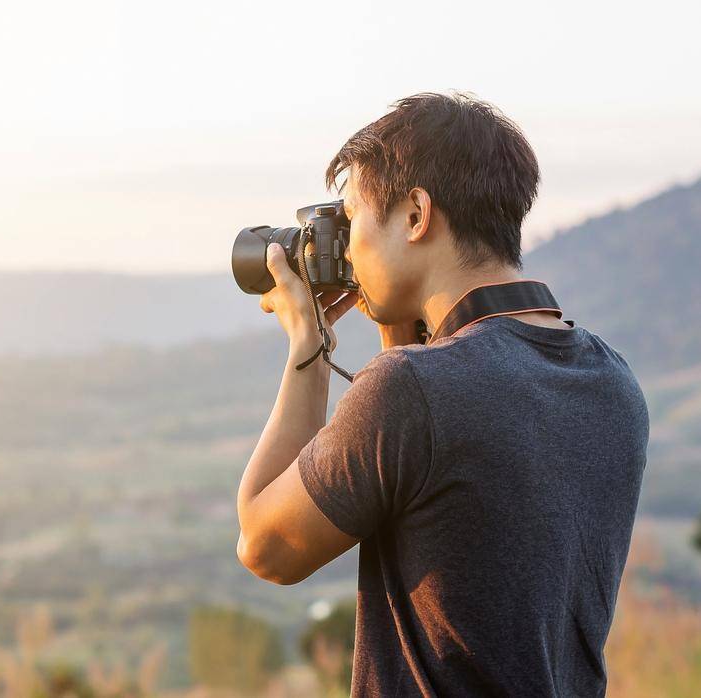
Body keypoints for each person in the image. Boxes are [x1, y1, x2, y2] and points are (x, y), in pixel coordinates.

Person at [235, 92, 649, 697]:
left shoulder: (411, 392)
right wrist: (398, 333)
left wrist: (308, 345)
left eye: (352, 222)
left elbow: (266, 546)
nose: (346, 248)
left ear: (416, 215)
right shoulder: (613, 382)